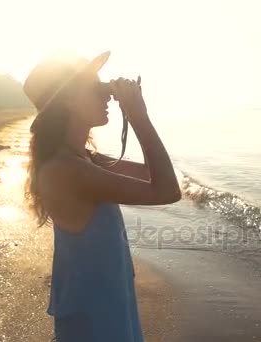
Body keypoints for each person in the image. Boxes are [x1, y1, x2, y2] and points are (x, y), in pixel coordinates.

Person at [22, 51, 181, 341]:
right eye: (96, 89)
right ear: (67, 100)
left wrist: (135, 112)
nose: (107, 95)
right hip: (96, 318)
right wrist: (138, 117)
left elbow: (150, 173)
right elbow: (167, 190)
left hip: (104, 304)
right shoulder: (67, 169)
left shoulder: (82, 159)